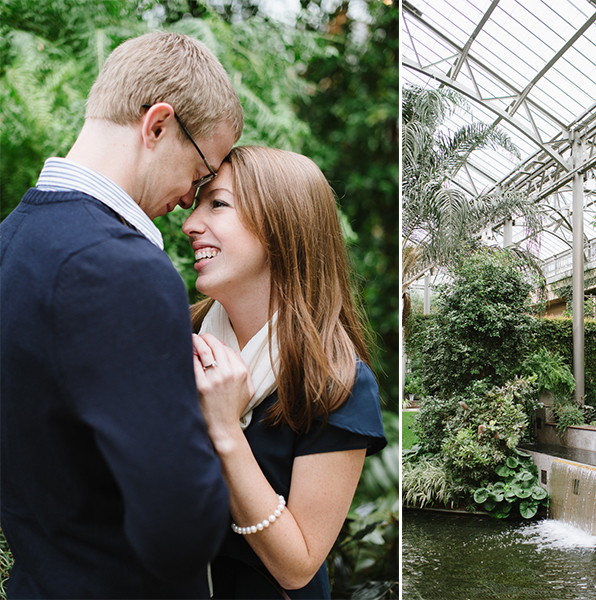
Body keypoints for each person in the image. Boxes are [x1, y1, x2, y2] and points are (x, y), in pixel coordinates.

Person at [0, 32, 244, 598]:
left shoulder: (10, 243)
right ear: (157, 125)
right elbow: (178, 534)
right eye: (201, 170)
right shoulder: (122, 269)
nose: (190, 197)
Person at [183, 146, 387, 599]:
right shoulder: (177, 337)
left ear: (280, 226)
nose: (190, 223)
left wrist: (226, 431)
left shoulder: (338, 382)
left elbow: (297, 566)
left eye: (217, 203)